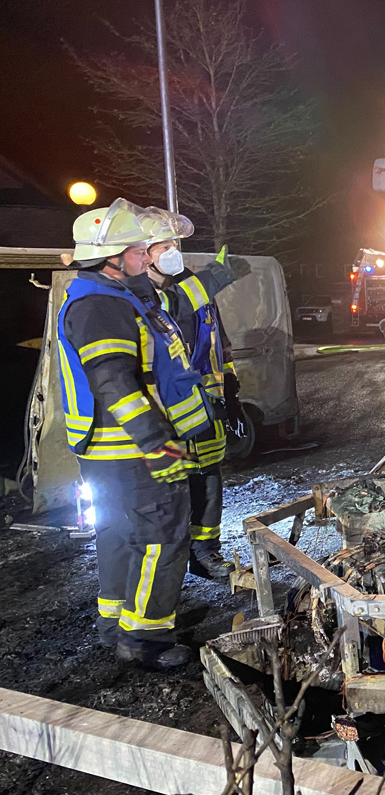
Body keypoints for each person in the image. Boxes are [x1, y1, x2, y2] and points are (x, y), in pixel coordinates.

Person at [58, 199, 211, 670]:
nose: (147, 257)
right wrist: (156, 444)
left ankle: (116, 625)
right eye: (139, 251)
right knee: (162, 537)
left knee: (121, 536)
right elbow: (115, 384)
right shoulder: (101, 307)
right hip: (131, 452)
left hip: (113, 451)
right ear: (112, 258)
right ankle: (145, 640)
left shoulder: (105, 296)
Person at [141, 208, 242, 578]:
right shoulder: (141, 297)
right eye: (164, 246)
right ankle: (170, 566)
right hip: (167, 414)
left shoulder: (193, 286)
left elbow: (219, 342)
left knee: (209, 480)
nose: (173, 252)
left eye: (175, 244)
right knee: (172, 490)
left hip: (206, 406)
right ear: (143, 253)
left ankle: (205, 553)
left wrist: (231, 390)